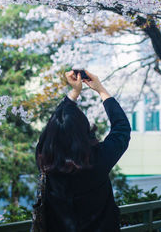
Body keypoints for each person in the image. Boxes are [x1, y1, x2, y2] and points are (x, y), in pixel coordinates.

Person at [35, 70, 131, 231]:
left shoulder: (45, 160)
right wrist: (101, 90)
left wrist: (73, 93)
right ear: (84, 129)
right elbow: (121, 128)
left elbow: (52, 127)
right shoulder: (99, 159)